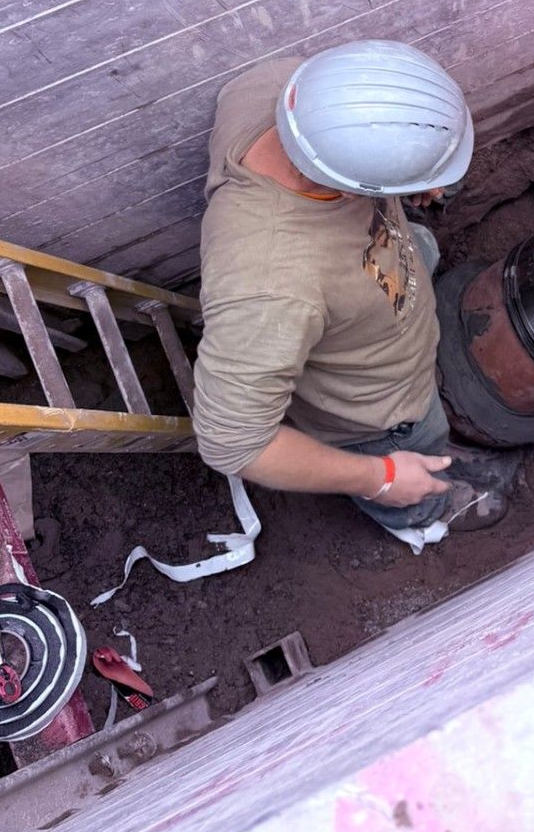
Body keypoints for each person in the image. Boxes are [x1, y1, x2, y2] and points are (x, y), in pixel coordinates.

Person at [191, 39, 511, 545]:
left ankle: (437, 455)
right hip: (378, 417)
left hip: (377, 297)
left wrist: (407, 176)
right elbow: (233, 444)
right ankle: (424, 501)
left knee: (420, 246)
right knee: (418, 453)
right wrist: (381, 478)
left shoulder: (280, 87)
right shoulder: (272, 287)